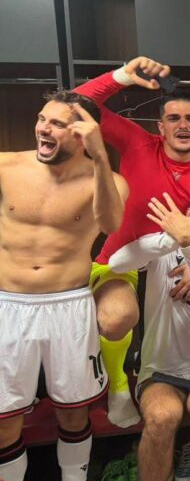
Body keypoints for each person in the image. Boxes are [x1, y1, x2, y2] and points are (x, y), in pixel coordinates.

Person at [74, 57, 190, 427]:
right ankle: (118, 383)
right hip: (123, 257)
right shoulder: (138, 143)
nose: (182, 125)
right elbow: (74, 105)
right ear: (160, 126)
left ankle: (173, 379)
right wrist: (122, 76)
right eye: (173, 118)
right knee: (116, 318)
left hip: (173, 262)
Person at [0, 91, 128, 481]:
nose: (44, 128)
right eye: (42, 119)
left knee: (73, 413)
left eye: (57, 123)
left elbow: (110, 223)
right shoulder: (7, 166)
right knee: (4, 420)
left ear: (83, 134)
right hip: (8, 305)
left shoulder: (109, 180)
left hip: (68, 305)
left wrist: (101, 157)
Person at [107, 186, 190, 481]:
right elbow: (116, 263)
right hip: (160, 366)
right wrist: (176, 239)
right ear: (189, 213)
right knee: (161, 418)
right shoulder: (163, 247)